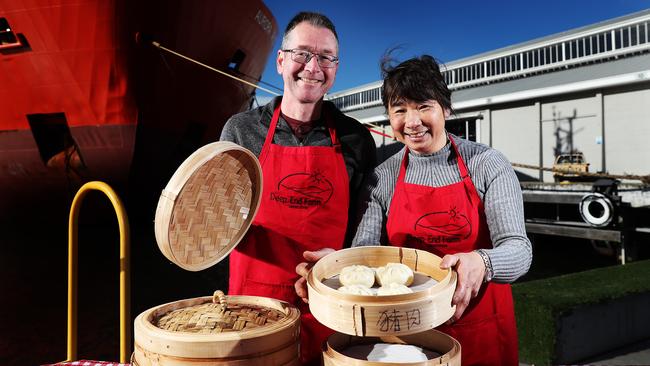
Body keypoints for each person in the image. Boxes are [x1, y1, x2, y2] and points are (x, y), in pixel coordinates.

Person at [296, 55, 532, 365]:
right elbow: (366, 256)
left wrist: (483, 261)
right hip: (406, 340)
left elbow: (520, 251)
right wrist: (336, 268)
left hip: (482, 330)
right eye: (399, 110)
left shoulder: (487, 164)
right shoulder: (383, 177)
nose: (412, 122)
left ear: (445, 108)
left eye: (423, 106)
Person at [220, 11, 376, 366]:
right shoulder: (241, 131)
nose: (313, 67)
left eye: (326, 57)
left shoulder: (355, 138)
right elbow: (221, 216)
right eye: (302, 53)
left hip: (331, 305)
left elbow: (365, 227)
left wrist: (344, 264)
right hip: (252, 309)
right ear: (280, 60)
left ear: (336, 69)